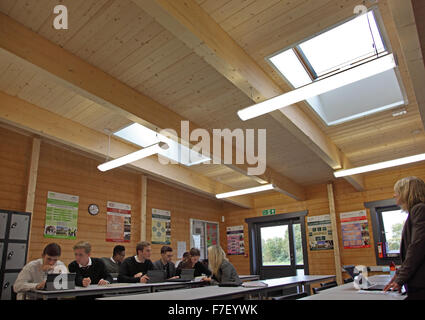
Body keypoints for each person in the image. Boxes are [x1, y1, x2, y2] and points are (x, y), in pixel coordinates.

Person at [384, 177, 425, 299]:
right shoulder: (416, 211)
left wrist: (401, 278)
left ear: (407, 192)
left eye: (397, 191)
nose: (394, 194)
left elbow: (417, 247)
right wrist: (398, 274)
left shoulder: (420, 209)